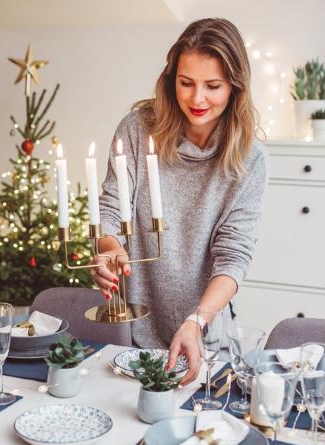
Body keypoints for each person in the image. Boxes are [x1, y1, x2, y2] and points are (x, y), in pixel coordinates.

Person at [92, 18, 268, 386]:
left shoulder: (250, 158)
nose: (197, 98)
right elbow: (110, 209)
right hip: (131, 336)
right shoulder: (137, 130)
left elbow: (234, 255)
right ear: (171, 79)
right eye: (186, 83)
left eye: (213, 86)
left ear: (236, 86)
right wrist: (109, 247)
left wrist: (197, 320)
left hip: (201, 340)